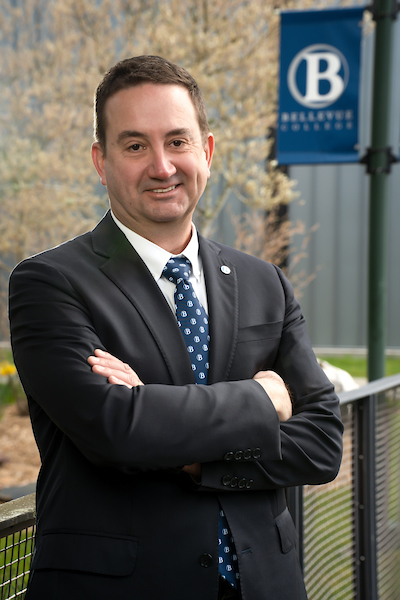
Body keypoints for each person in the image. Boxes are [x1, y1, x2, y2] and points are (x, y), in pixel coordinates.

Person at [9, 55, 343, 600]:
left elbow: (323, 443)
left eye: (178, 142)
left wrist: (182, 448)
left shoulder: (265, 284)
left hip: (266, 585)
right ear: (101, 161)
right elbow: (116, 430)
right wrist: (261, 402)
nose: (162, 166)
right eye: (135, 145)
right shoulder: (49, 283)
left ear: (205, 151)